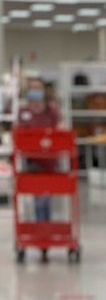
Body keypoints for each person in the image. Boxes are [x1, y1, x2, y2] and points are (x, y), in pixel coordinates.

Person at [16, 77, 61, 223]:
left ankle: (44, 229)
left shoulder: (51, 112)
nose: (34, 92)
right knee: (39, 198)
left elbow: (60, 131)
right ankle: (41, 229)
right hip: (31, 162)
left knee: (46, 197)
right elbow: (18, 134)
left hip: (50, 161)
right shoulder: (23, 112)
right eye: (32, 89)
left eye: (37, 88)